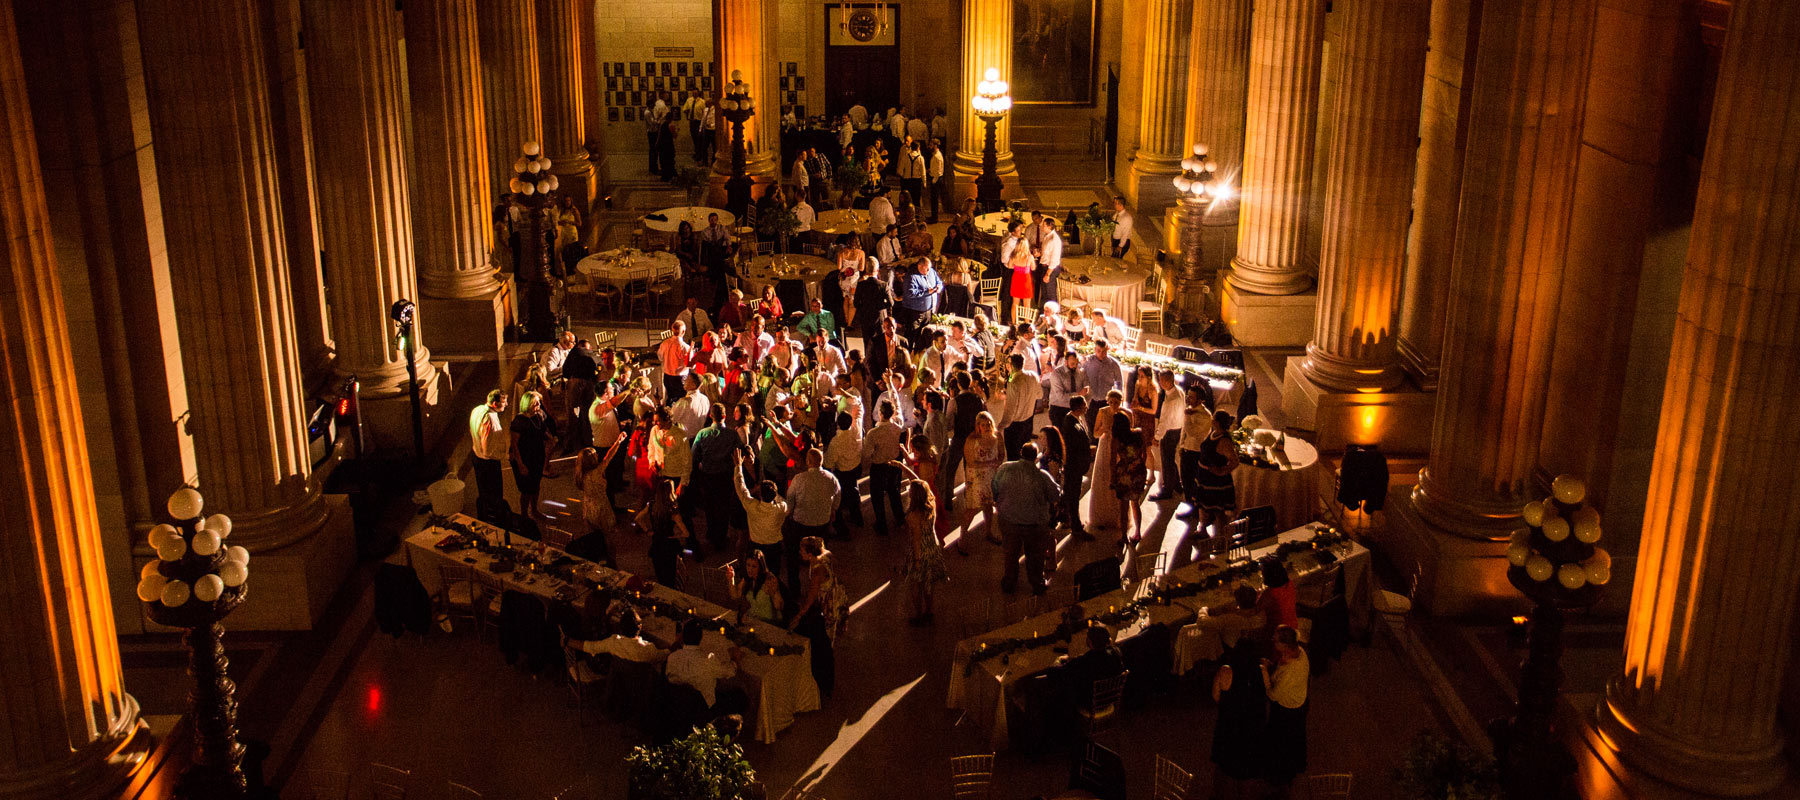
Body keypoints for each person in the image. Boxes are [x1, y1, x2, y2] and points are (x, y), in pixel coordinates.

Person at [1210, 597, 1269, 800]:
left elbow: (1216, 696)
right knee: (1247, 772)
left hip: (1230, 726)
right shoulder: (1261, 671)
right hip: (1253, 728)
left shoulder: (1226, 671)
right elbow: (1268, 694)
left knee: (1225, 769)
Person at [992, 442, 1060, 595]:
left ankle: (1009, 582)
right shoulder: (1042, 476)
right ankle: (1037, 583)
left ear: (1021, 453)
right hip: (1034, 523)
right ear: (1036, 457)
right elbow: (1055, 495)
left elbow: (995, 487)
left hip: (1008, 520)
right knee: (1035, 555)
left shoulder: (1005, 468)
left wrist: (1001, 502)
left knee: (1010, 553)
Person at [1261, 626, 1311, 794]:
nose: (1273, 641)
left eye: (1275, 640)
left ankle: (1280, 782)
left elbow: (1273, 695)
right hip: (1299, 704)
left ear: (1284, 645)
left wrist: (1265, 675)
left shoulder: (1291, 670)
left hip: (1287, 711)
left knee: (1281, 746)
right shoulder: (1299, 652)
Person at [792, 535, 842, 698]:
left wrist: (800, 614)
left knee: (826, 642)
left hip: (827, 606)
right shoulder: (826, 555)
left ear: (809, 554)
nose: (800, 553)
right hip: (834, 597)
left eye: (802, 550)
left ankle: (826, 683)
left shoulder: (817, 569)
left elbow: (812, 596)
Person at [690, 406, 745, 550]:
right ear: (725, 415)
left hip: (707, 475)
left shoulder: (703, 433)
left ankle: (711, 533)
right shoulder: (732, 434)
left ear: (710, 416)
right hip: (725, 475)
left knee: (709, 505)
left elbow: (694, 455)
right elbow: (741, 450)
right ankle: (721, 536)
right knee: (724, 506)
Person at [666, 619, 745, 714]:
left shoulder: (672, 657)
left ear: (682, 637)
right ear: (701, 637)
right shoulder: (708, 661)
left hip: (676, 706)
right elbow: (730, 671)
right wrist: (735, 659)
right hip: (702, 712)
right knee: (740, 696)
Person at [898, 473, 948, 624]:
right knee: (929, 583)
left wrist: (917, 560)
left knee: (916, 586)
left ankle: (918, 615)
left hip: (920, 553)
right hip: (932, 547)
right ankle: (929, 610)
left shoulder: (913, 516)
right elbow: (925, 485)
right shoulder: (931, 505)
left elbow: (916, 540)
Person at [786, 448, 842, 569]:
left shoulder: (799, 478)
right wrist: (833, 509)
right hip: (822, 522)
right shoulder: (831, 478)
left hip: (802, 523)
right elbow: (838, 494)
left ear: (808, 461)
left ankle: (804, 561)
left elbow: (790, 499)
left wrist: (789, 513)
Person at [1189, 409, 1242, 538]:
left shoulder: (1224, 441)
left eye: (1213, 419)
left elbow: (1234, 461)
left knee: (1218, 510)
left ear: (1217, 422)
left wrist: (1221, 471)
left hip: (1215, 481)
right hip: (1204, 476)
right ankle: (1202, 530)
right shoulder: (1214, 433)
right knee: (1203, 506)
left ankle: (1222, 538)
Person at [861, 399, 907, 536]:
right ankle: (900, 519)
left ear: (880, 413)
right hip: (894, 464)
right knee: (894, 492)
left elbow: (867, 454)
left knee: (877, 495)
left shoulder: (873, 433)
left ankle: (882, 524)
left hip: (879, 466)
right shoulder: (897, 428)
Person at [510, 390, 556, 519]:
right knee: (526, 489)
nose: (538, 406)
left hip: (536, 455)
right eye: (535, 404)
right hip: (524, 457)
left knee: (536, 485)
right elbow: (514, 445)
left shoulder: (538, 415)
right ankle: (524, 514)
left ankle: (534, 510)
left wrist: (550, 438)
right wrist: (521, 464)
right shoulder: (519, 421)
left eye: (538, 403)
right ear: (527, 404)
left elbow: (542, 430)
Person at [575, 442, 623, 565]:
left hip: (590, 509)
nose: (598, 456)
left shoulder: (582, 475)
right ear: (591, 460)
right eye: (595, 455)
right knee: (609, 537)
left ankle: (598, 560)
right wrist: (618, 441)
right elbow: (609, 456)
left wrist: (584, 514)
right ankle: (612, 563)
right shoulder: (597, 472)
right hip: (602, 508)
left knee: (595, 538)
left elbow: (585, 495)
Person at [638, 480, 692, 588]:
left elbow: (638, 518)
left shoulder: (651, 505)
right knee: (671, 577)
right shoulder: (673, 511)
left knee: (660, 575)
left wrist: (647, 530)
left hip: (656, 544)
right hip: (669, 547)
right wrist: (676, 536)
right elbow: (686, 534)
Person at [1109, 410, 1150, 543]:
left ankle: (1123, 536)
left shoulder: (1116, 440)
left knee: (1124, 506)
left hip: (1124, 472)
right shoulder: (1138, 434)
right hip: (1138, 470)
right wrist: (1139, 465)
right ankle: (1138, 532)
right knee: (1136, 503)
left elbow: (1112, 461)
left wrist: (1113, 479)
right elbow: (1144, 454)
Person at [823, 410, 864, 537]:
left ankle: (842, 529)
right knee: (853, 491)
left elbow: (829, 463)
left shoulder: (836, 441)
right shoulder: (855, 433)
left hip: (843, 473)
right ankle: (857, 517)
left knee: (839, 499)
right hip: (856, 468)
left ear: (838, 425)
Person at [1064, 624, 1125, 711]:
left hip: (1090, 703)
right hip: (1111, 698)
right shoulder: (1116, 653)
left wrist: (1057, 662)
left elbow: (1061, 671)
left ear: (1089, 641)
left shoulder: (1084, 660)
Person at [1058, 395, 1094, 540]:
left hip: (1076, 465)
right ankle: (1076, 527)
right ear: (1079, 408)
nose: (1086, 408)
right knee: (1072, 496)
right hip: (1073, 466)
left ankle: (1067, 518)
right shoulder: (1071, 424)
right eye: (1084, 405)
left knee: (1072, 494)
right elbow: (1074, 447)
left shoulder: (1075, 419)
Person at [469, 390, 510, 516]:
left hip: (476, 455)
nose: (507, 404)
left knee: (483, 490)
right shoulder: (490, 419)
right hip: (488, 463)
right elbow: (488, 450)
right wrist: (505, 456)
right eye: (503, 402)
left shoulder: (477, 409)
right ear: (494, 403)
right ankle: (495, 517)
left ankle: (486, 512)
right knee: (494, 493)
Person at [578, 609, 667, 663]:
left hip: (620, 683)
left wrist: (567, 641)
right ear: (640, 627)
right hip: (642, 685)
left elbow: (591, 647)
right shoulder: (648, 649)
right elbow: (666, 654)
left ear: (620, 627)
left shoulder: (613, 643)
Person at [1150, 370, 1185, 501]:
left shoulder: (1171, 399)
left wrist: (1156, 437)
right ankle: (1177, 484)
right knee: (1170, 459)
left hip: (1169, 432)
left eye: (1161, 380)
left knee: (1167, 461)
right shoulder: (1179, 391)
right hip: (1177, 428)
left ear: (1167, 381)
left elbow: (1164, 422)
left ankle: (1167, 490)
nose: (1159, 383)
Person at [998, 353, 1039, 459]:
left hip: (1015, 425)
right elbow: (1040, 394)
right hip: (1028, 421)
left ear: (1011, 365)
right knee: (1026, 454)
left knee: (1013, 456)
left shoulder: (1014, 383)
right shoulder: (1032, 376)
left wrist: (1001, 426)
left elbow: (1010, 409)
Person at [728, 550, 786, 625]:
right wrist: (731, 579)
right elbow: (735, 596)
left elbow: (779, 606)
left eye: (754, 566)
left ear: (760, 567)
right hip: (754, 620)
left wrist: (775, 592)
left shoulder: (768, 579)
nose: (750, 569)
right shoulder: (747, 579)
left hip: (769, 622)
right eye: (748, 565)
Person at [895, 255, 943, 335]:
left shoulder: (931, 271)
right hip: (915, 313)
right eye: (926, 268)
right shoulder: (911, 276)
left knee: (925, 335)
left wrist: (939, 287)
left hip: (929, 311)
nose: (928, 270)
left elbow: (939, 282)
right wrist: (927, 292)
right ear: (920, 266)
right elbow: (909, 293)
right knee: (912, 335)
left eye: (929, 268)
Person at [852, 262, 894, 349]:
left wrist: (864, 307)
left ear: (866, 271)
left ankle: (868, 360)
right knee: (881, 342)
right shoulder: (883, 285)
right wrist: (880, 306)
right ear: (877, 271)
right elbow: (891, 303)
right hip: (879, 317)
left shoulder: (861, 285)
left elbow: (856, 303)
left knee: (867, 342)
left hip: (865, 317)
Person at [1257, 558, 1301, 635]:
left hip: (1279, 631)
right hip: (1293, 624)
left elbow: (1256, 609)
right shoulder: (1289, 583)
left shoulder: (1270, 593)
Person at [659, 320, 694, 403]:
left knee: (670, 399)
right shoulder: (685, 347)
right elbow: (691, 364)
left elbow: (660, 357)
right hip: (680, 378)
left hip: (667, 377)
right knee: (682, 401)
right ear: (683, 332)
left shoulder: (664, 343)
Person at [1035, 215, 1063, 305]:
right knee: (1044, 294)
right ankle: (1043, 314)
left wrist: (1048, 274)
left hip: (1050, 269)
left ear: (1050, 226)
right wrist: (1039, 253)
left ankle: (1052, 315)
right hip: (1044, 267)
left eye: (1044, 226)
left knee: (1050, 295)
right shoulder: (1047, 236)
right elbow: (1047, 253)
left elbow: (1054, 259)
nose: (1042, 227)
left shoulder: (1054, 240)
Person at [925, 139, 947, 223]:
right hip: (935, 178)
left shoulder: (937, 156)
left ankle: (934, 218)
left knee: (934, 199)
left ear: (935, 145)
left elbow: (939, 171)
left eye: (931, 144)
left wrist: (934, 181)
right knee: (933, 199)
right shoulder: (935, 155)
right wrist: (929, 170)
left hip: (936, 180)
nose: (930, 146)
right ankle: (933, 216)